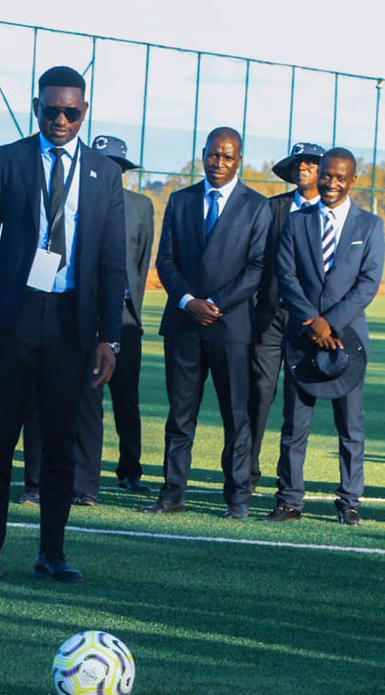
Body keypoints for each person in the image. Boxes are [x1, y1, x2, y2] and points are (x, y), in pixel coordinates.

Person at [0, 65, 125, 582]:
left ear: (84, 112)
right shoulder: (10, 159)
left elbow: (113, 259)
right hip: (14, 317)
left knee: (58, 444)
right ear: (37, 109)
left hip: (72, 323)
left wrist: (108, 336)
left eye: (70, 112)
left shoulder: (104, 171)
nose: (60, 120)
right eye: (51, 111)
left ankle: (51, 552)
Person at [142, 126, 269, 519]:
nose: (219, 162)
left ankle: (236, 497)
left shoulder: (256, 206)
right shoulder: (180, 201)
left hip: (231, 328)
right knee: (180, 415)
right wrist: (187, 301)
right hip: (183, 325)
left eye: (228, 156)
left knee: (236, 416)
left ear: (239, 160)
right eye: (214, 154)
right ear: (203, 154)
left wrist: (214, 304)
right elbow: (165, 259)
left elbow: (257, 267)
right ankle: (172, 493)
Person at [264, 147, 384, 525]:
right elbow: (287, 275)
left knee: (351, 425)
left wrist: (330, 322)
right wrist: (312, 321)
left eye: (340, 177)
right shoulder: (297, 221)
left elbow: (368, 283)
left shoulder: (370, 225)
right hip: (303, 336)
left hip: (348, 340)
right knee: (294, 423)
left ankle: (349, 500)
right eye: (327, 175)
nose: (332, 183)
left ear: (353, 180)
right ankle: (289, 499)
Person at [72, 134, 155, 504]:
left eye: (115, 164)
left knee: (127, 398)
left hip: (123, 317)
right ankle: (81, 472)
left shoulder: (141, 205)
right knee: (86, 396)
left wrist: (132, 310)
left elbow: (140, 263)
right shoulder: (79, 200)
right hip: (83, 313)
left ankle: (129, 470)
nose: (109, 169)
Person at [250, 142, 325, 492]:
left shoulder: (330, 211)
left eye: (311, 162)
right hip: (269, 317)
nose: (303, 167)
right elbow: (256, 259)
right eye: (298, 163)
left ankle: (288, 484)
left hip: (308, 323)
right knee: (258, 394)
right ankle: (245, 474)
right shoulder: (273, 207)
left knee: (298, 405)